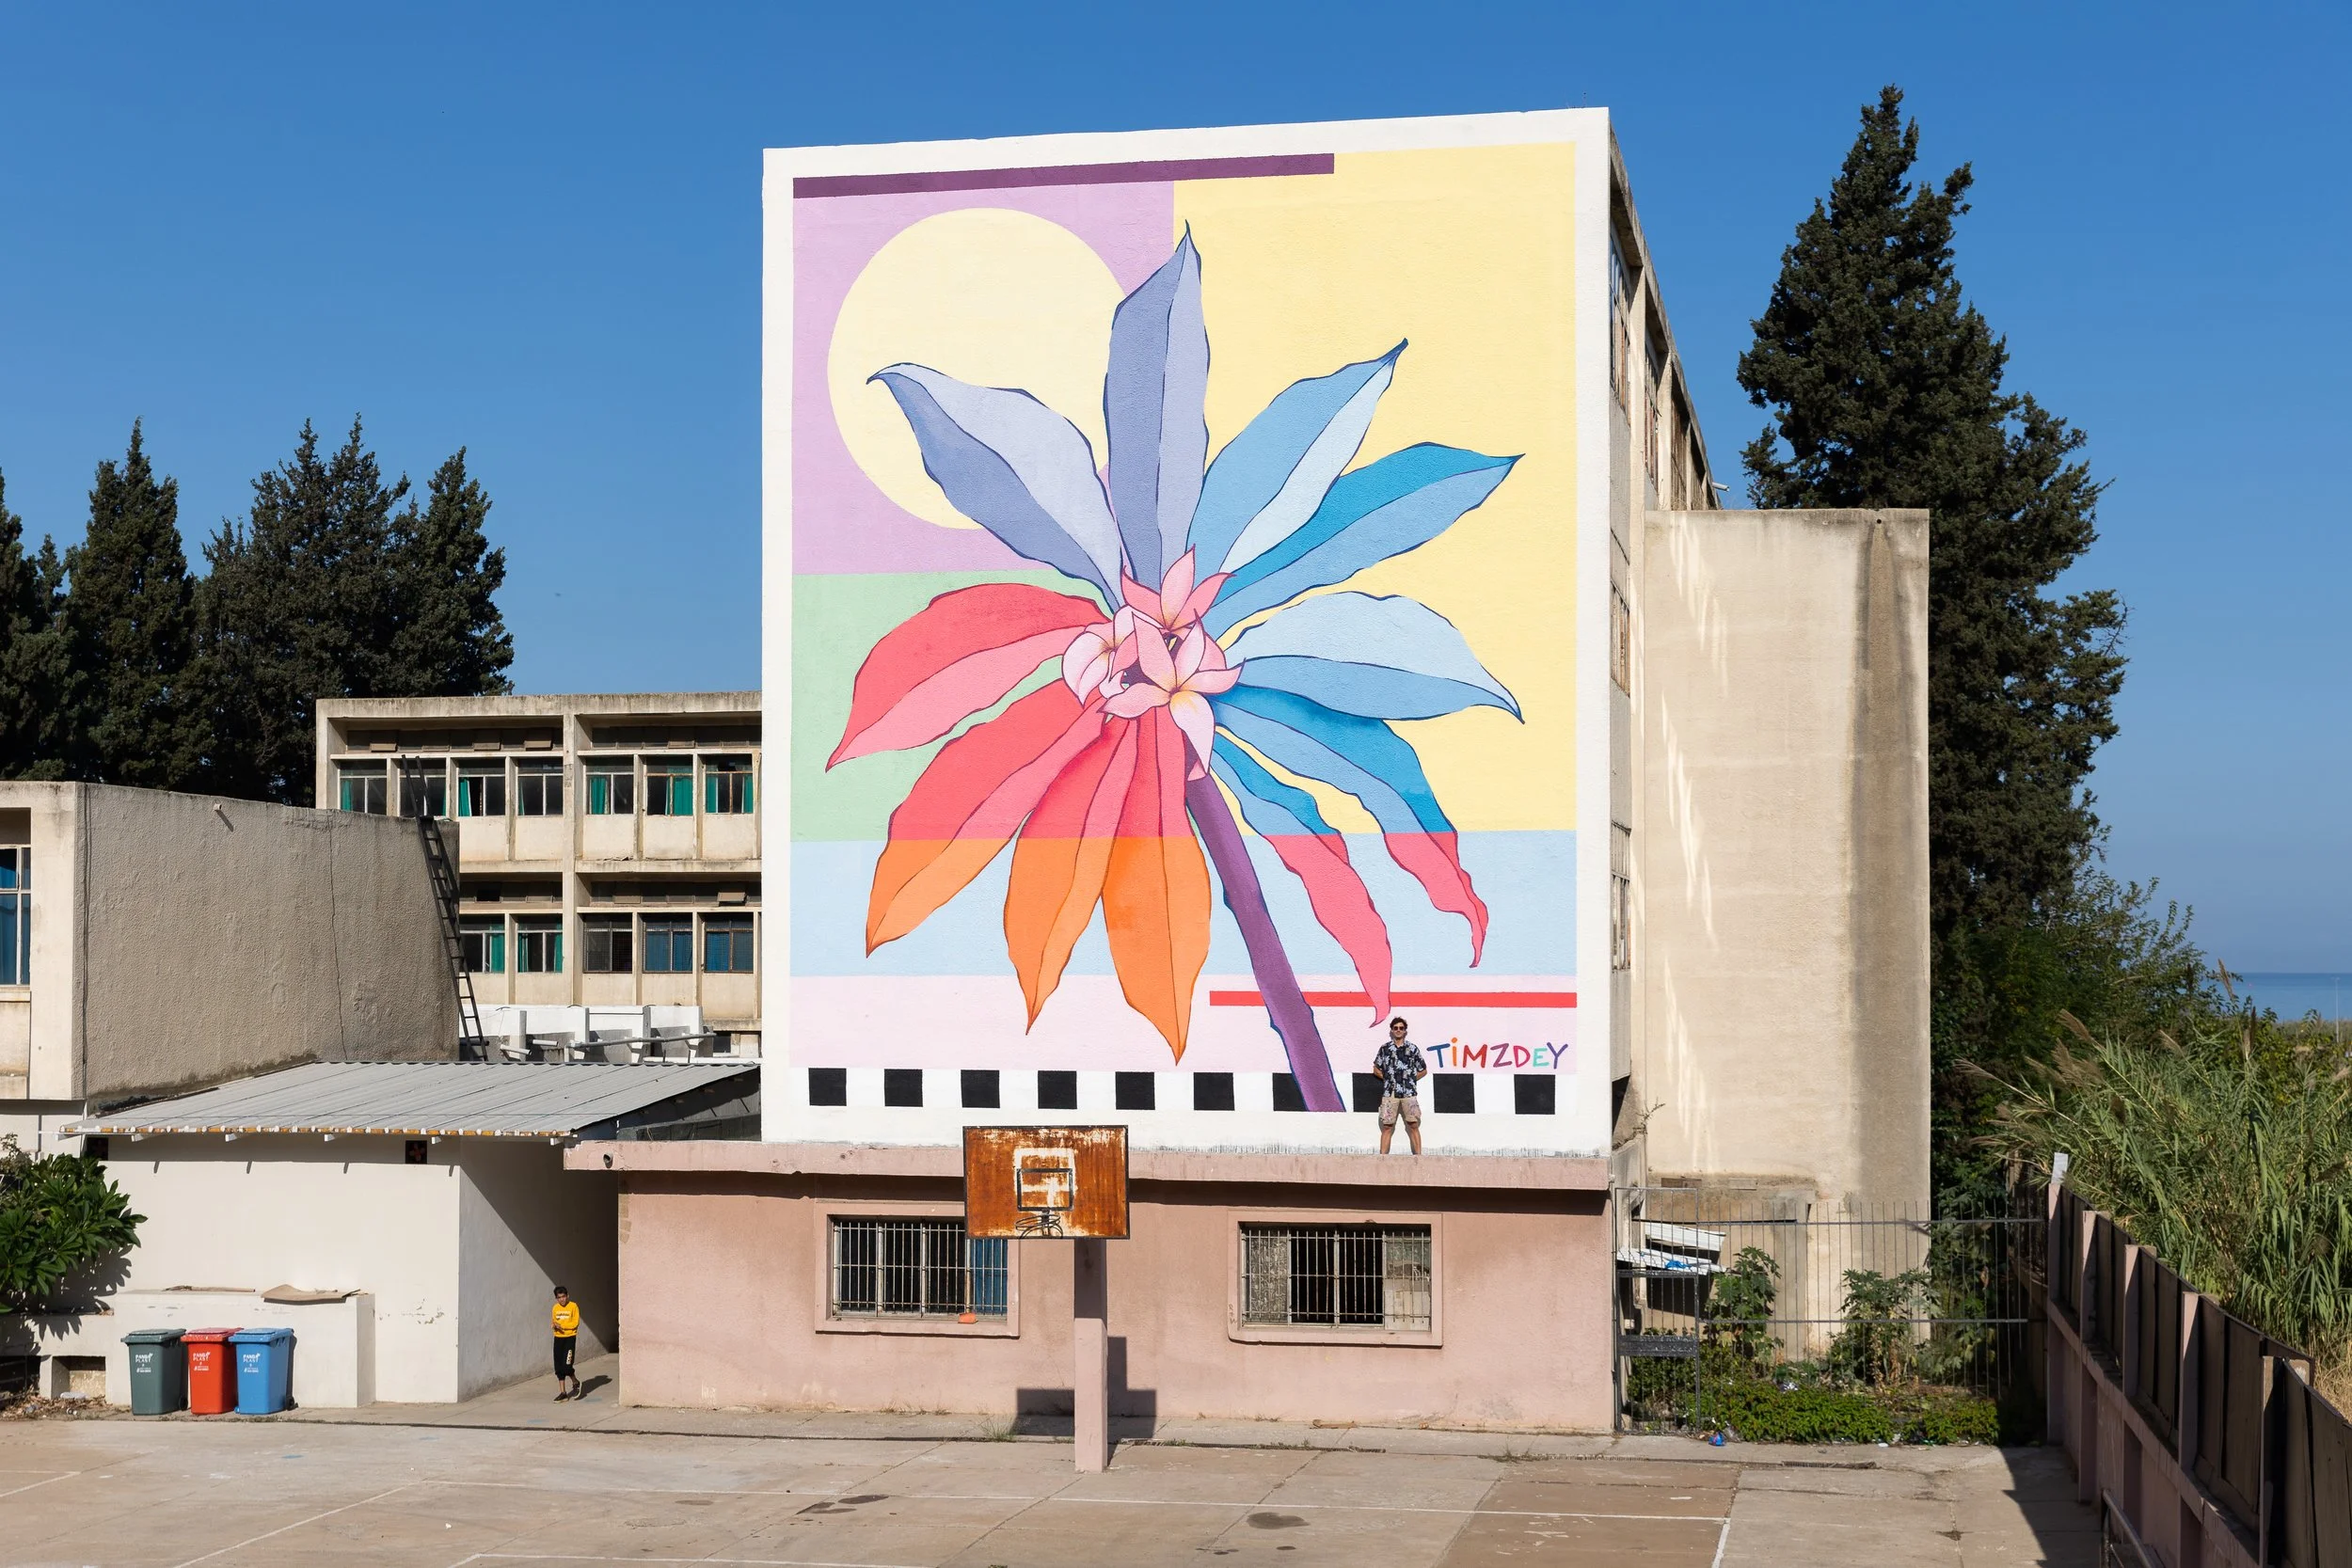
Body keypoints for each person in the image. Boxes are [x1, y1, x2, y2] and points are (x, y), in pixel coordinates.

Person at [1373, 1016, 1428, 1155]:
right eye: (1395, 1028)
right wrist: (1387, 1079)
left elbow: (1423, 1070)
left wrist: (1410, 1080)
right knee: (1387, 1126)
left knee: (1413, 1124)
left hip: (1408, 1093)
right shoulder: (1385, 1049)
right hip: (1389, 1093)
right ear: (1391, 1030)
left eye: (1401, 1028)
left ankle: (1419, 1158)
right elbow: (1376, 1069)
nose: (1398, 1030)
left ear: (1405, 1031)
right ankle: (1383, 1158)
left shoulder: (1412, 1049)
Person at [550, 1285, 582, 1401]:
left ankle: (575, 1382)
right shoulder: (555, 1308)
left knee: (567, 1365)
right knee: (558, 1366)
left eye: (563, 1296)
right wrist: (554, 1326)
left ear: (567, 1296)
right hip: (558, 1338)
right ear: (556, 1298)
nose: (562, 1299)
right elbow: (553, 1322)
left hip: (569, 1338)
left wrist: (562, 1326)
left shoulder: (573, 1306)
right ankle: (563, 1392)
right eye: (559, 1297)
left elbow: (575, 1323)